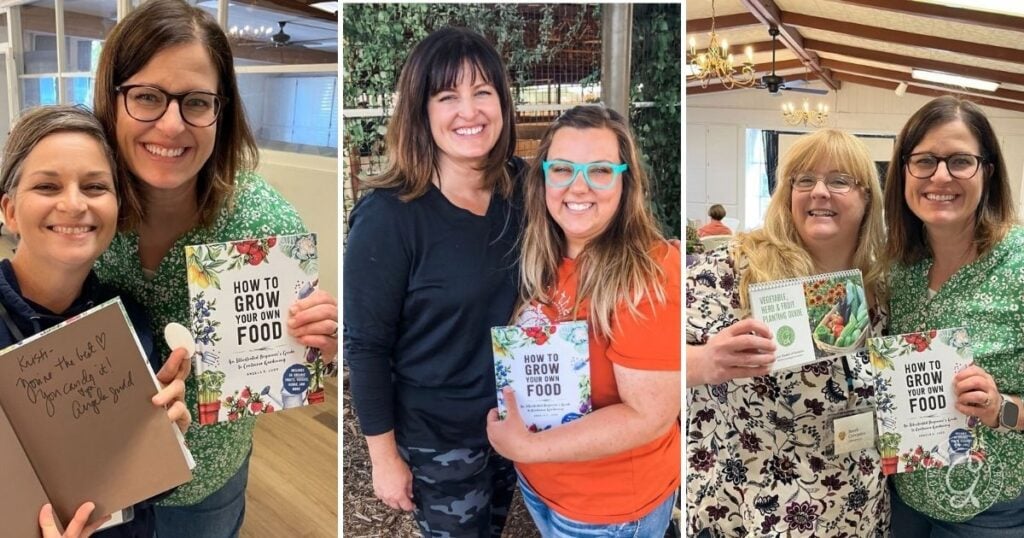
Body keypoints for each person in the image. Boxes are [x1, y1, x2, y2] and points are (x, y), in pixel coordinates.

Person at [90, 1, 338, 536]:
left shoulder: (260, 222)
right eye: (148, 97)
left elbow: (296, 364)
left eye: (197, 102)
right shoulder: (87, 207)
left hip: (204, 484)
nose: (172, 125)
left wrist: (324, 343)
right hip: (99, 477)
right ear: (111, 101)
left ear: (221, 114)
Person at [343, 27, 522, 537]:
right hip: (436, 438)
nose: (470, 111)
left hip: (513, 423)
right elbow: (366, 346)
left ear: (503, 104)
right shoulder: (389, 217)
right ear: (422, 113)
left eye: (483, 92)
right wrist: (383, 459)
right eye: (448, 97)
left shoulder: (524, 191)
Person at [483, 104, 680, 536]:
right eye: (564, 169)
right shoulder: (545, 254)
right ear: (545, 177)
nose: (579, 186)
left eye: (601, 171)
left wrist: (527, 446)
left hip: (607, 510)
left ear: (625, 180)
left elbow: (649, 416)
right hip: (543, 483)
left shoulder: (649, 271)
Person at [686, 128, 889, 537]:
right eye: (804, 180)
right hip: (751, 510)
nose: (819, 192)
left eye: (839, 180)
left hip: (855, 510)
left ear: (867, 197)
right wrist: (702, 362)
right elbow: (653, 360)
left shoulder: (882, 288)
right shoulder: (734, 268)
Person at [0, 105, 190, 538]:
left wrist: (164, 444)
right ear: (10, 212)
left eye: (95, 186)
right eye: (47, 185)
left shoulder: (128, 320)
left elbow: (143, 493)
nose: (73, 204)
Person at [884, 96, 1024, 535]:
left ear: (988, 171)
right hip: (900, 500)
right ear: (904, 171)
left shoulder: (1018, 264)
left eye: (960, 161)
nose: (940, 176)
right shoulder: (896, 268)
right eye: (924, 160)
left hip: (988, 510)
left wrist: (1001, 408)